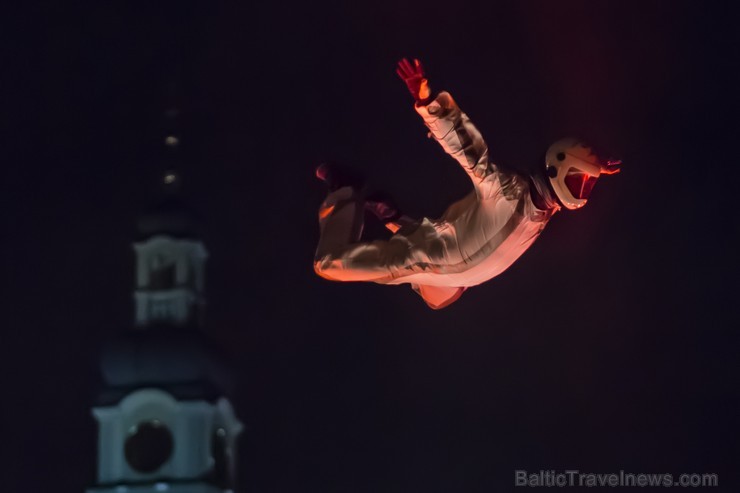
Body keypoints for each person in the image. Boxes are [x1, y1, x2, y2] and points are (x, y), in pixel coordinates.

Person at [313, 58, 621, 309]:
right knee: (328, 264)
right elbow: (470, 152)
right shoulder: (512, 193)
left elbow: (476, 156)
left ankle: (392, 217)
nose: (580, 192)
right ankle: (346, 189)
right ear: (556, 168)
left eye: (582, 187)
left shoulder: (540, 208)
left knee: (438, 294)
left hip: (453, 275)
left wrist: (593, 168)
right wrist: (428, 101)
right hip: (438, 266)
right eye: (579, 183)